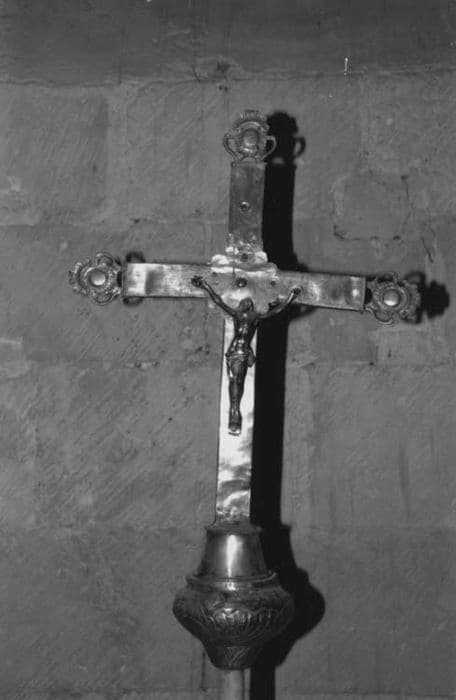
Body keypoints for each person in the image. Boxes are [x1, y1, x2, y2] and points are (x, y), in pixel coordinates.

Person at [191, 276, 301, 435]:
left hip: (243, 352)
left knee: (238, 380)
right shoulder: (236, 315)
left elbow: (276, 311)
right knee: (233, 380)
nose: (247, 302)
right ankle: (233, 411)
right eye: (244, 301)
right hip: (232, 352)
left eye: (249, 301)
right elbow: (218, 301)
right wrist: (205, 286)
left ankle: (235, 412)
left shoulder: (255, 317)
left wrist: (291, 297)